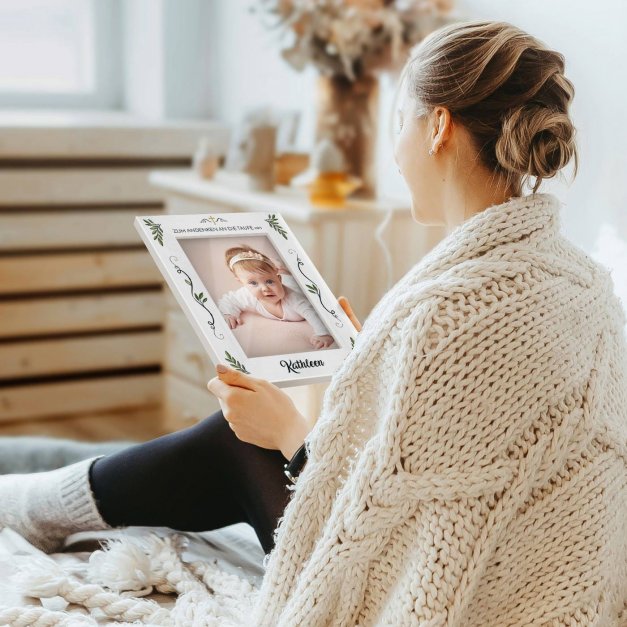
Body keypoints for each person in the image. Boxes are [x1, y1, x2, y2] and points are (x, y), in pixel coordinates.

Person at [1, 19, 626, 626]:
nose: (397, 153)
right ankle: (38, 501)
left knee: (236, 440)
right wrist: (367, 368)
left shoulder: (444, 311)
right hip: (552, 585)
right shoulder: (589, 286)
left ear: (437, 126)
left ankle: (29, 505)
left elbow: (392, 536)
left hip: (457, 600)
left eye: (400, 124)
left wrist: (290, 434)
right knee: (239, 437)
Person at [217, 245, 335, 350]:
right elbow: (228, 300)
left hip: (290, 280)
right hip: (277, 273)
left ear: (279, 279)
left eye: (269, 281)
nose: (265, 288)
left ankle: (282, 269)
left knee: (292, 273)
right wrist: (229, 313)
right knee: (274, 270)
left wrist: (323, 334)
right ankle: (277, 268)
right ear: (242, 283)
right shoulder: (247, 295)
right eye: (253, 283)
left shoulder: (294, 298)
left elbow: (314, 313)